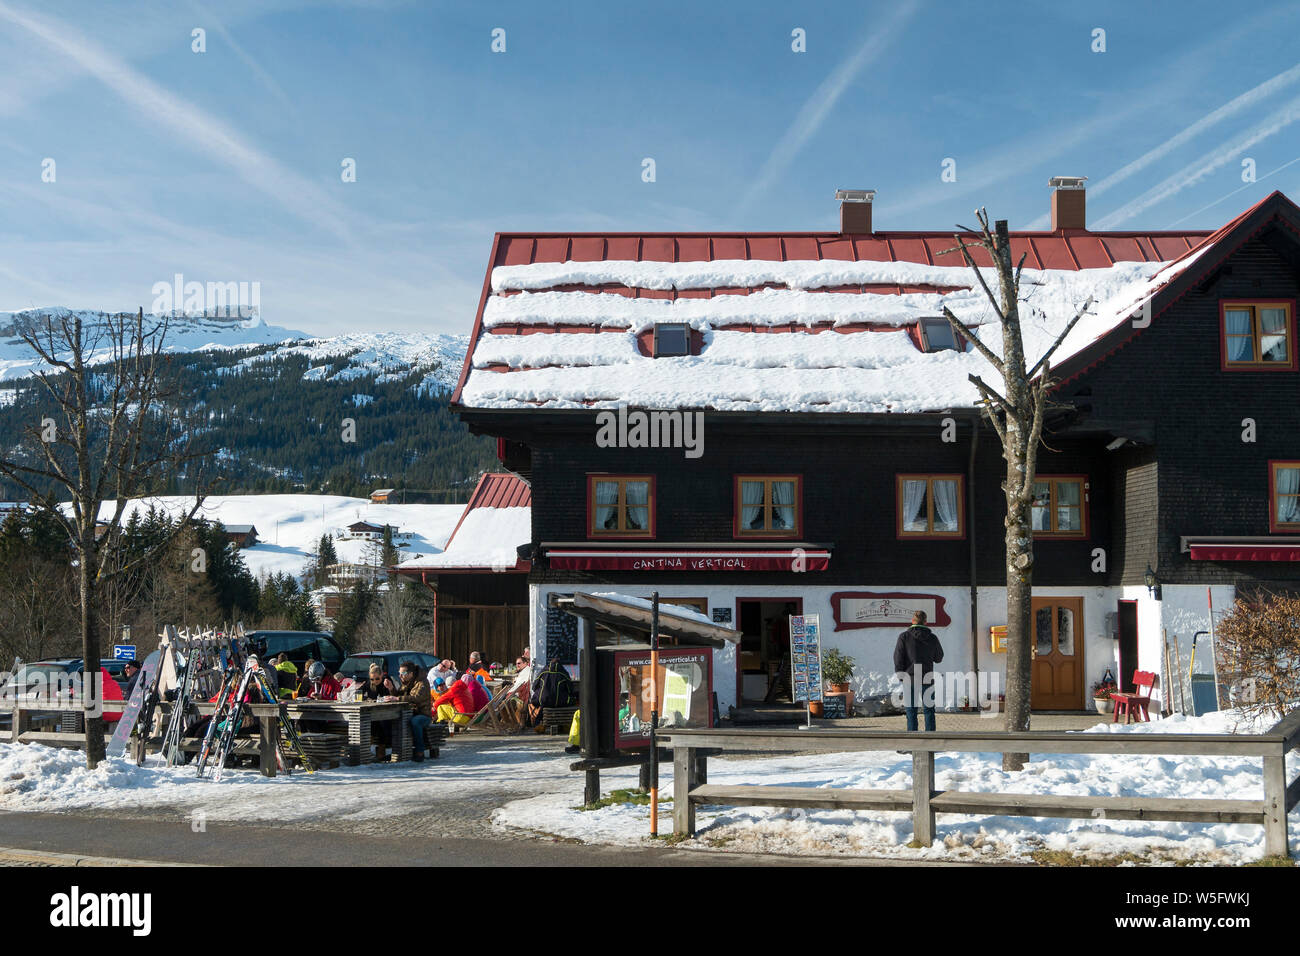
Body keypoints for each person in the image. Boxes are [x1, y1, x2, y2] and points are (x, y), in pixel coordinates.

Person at [894, 610, 944, 732]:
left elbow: (898, 657)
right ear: (926, 622)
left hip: (909, 678)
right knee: (929, 710)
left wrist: (900, 675)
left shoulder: (904, 637)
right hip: (927, 677)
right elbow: (939, 658)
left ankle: (913, 742)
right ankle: (930, 742)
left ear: (912, 621)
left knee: (911, 710)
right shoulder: (932, 638)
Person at [388, 661, 431, 761]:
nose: (400, 676)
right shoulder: (407, 683)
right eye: (399, 673)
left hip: (423, 714)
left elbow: (417, 698)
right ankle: (395, 751)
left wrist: (398, 699)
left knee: (415, 721)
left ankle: (420, 751)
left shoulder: (422, 682)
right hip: (410, 713)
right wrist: (391, 689)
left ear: (411, 674)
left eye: (402, 674)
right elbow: (399, 694)